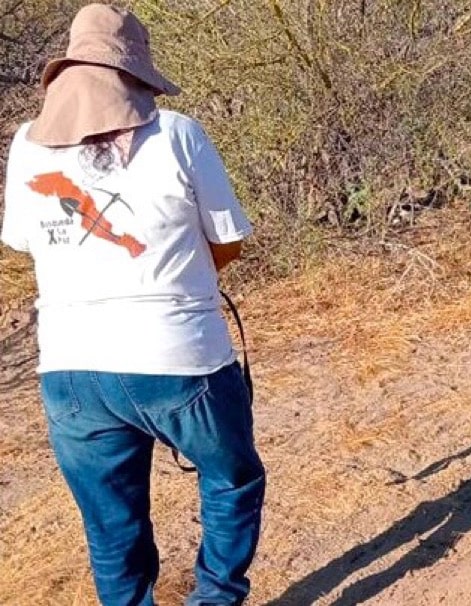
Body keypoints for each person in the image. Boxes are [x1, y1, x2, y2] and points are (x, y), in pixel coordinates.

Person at [0, 5, 265, 604]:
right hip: (180, 358)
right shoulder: (177, 134)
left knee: (110, 524)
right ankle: (215, 597)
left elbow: (25, 243)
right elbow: (228, 242)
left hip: (70, 367)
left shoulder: (25, 145)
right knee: (232, 479)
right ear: (135, 74)